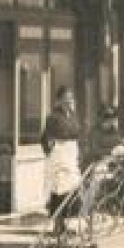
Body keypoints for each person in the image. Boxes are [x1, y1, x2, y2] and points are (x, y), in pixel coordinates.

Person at [40, 87, 83, 229]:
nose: (68, 101)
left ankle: (65, 221)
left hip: (72, 153)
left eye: (70, 98)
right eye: (66, 98)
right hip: (60, 154)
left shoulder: (73, 115)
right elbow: (45, 138)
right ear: (59, 100)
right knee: (59, 188)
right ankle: (58, 223)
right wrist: (52, 153)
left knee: (71, 188)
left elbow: (77, 132)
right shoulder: (53, 117)